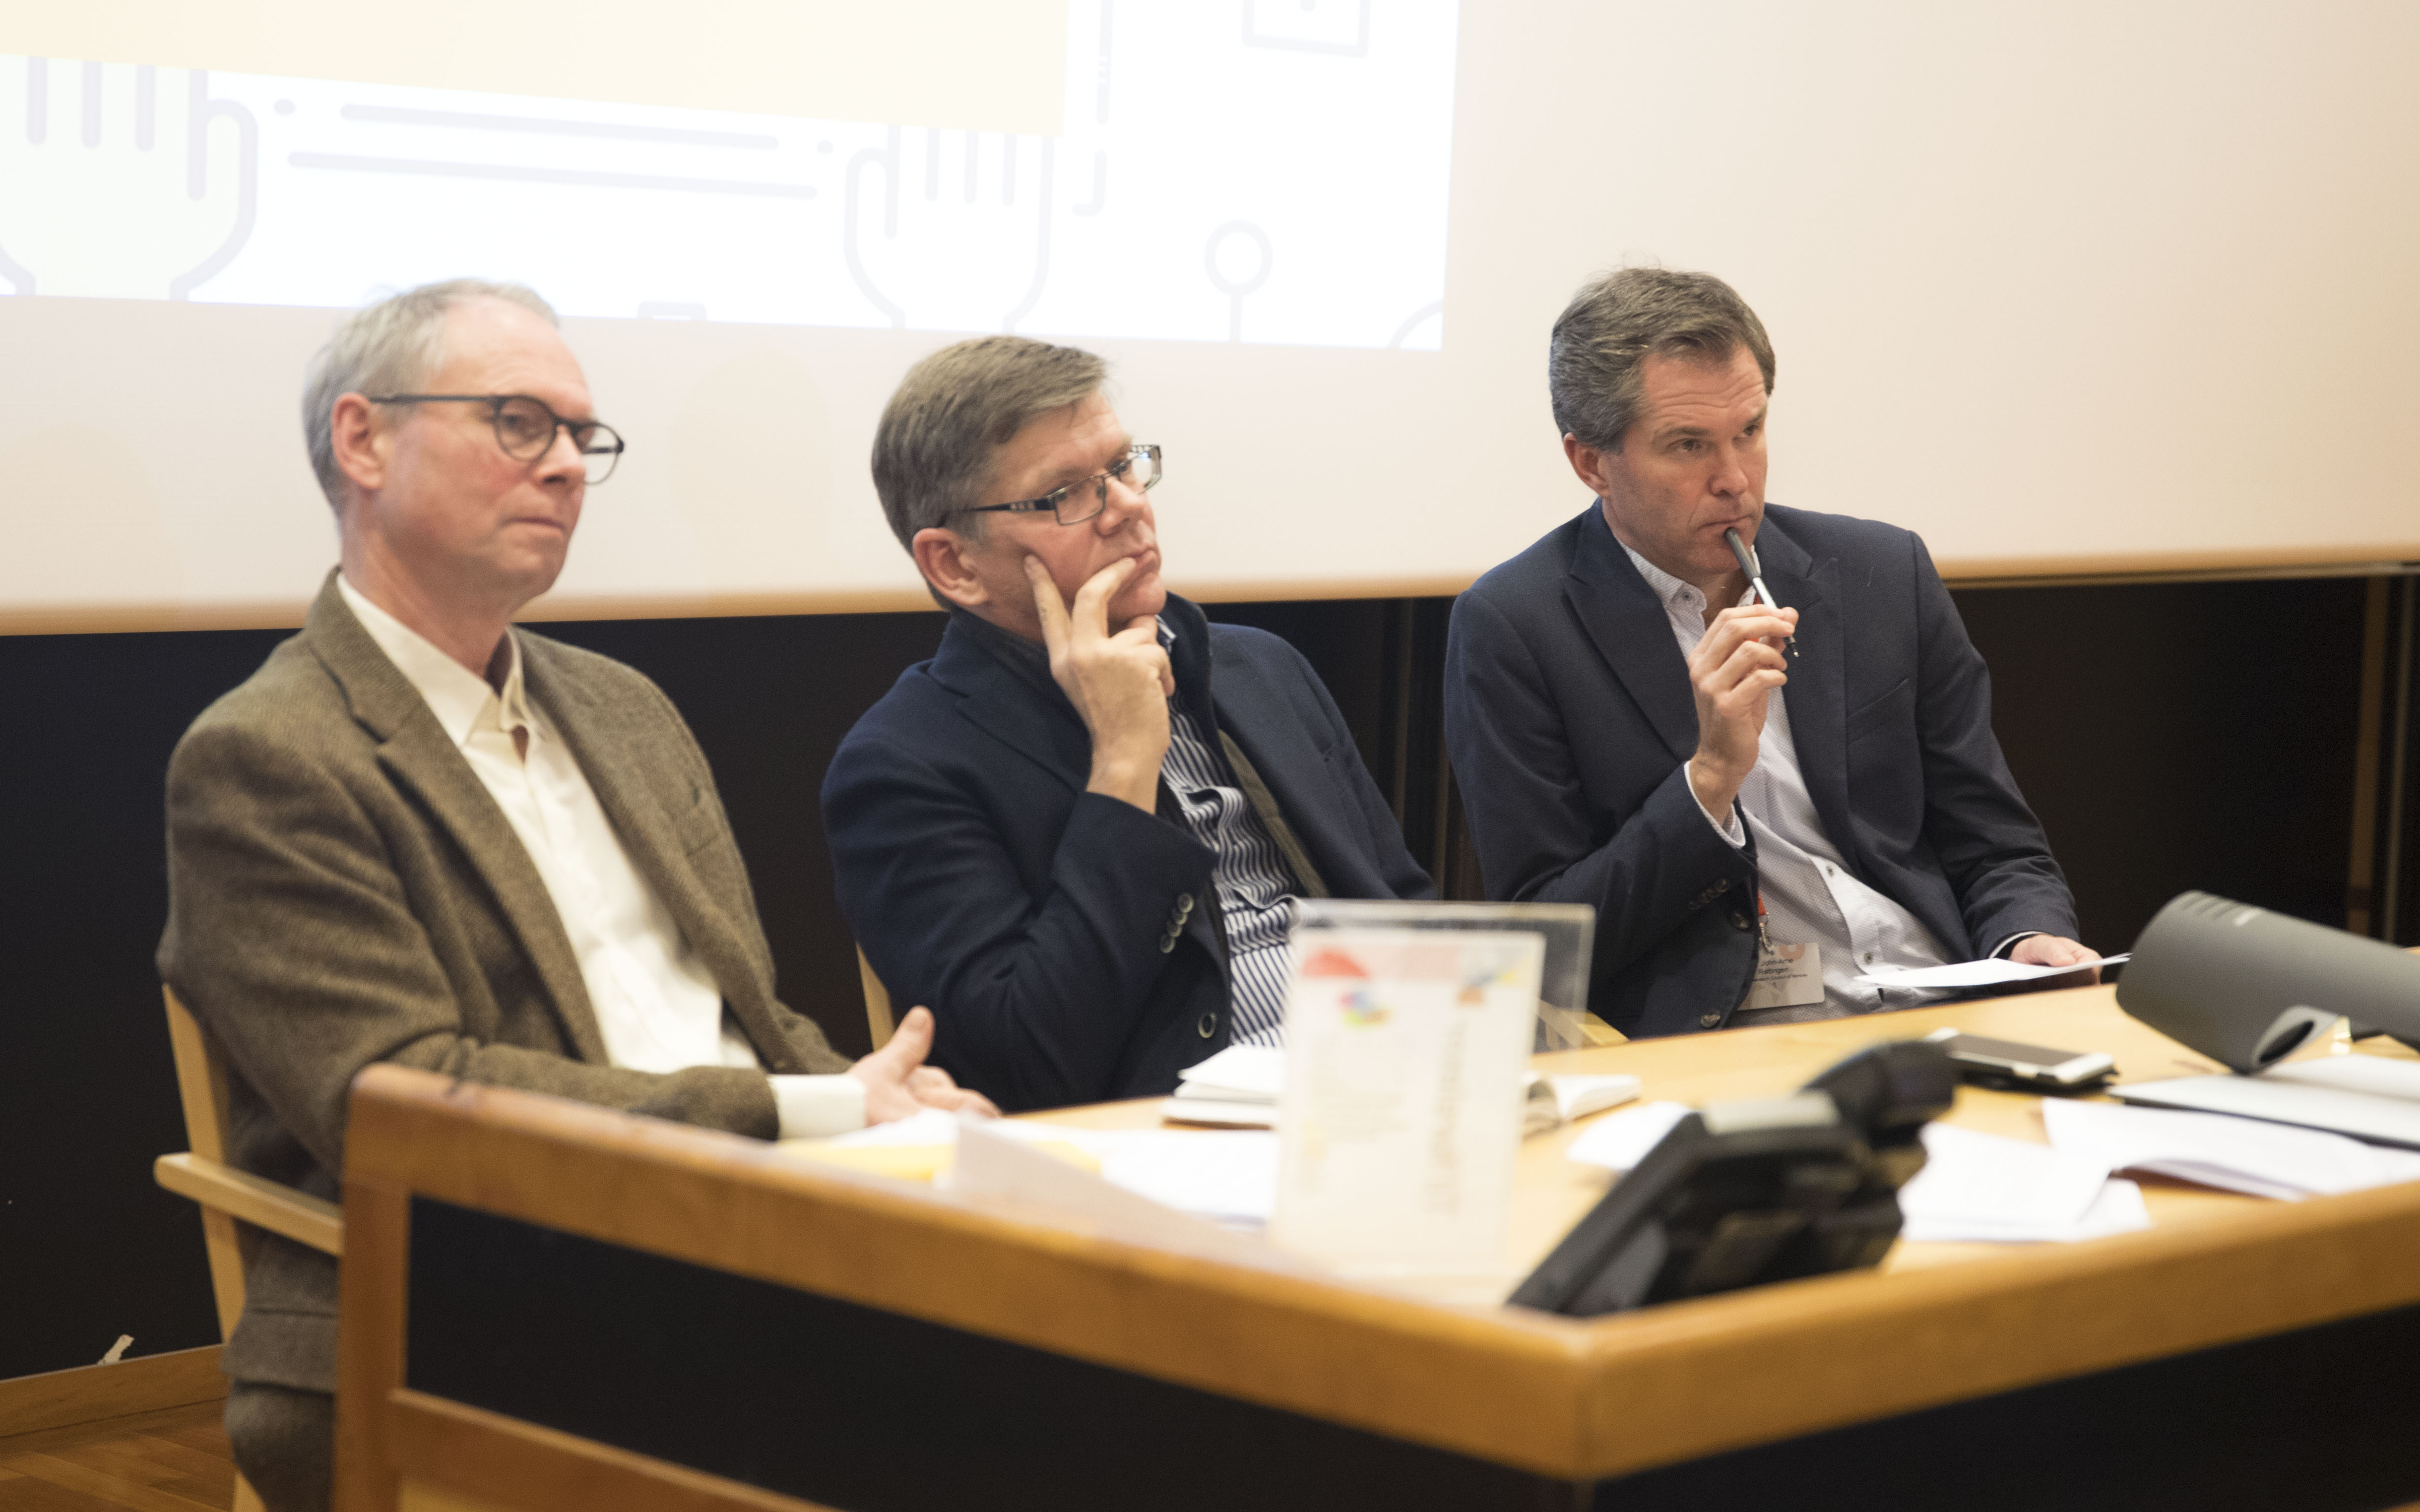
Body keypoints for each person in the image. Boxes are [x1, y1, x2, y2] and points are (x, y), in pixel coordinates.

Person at [158, 280, 995, 1511]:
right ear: (363, 440)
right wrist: (810, 1112)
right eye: (517, 422)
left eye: (579, 436)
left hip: (746, 1239)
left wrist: (878, 1106)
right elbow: (402, 1100)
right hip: (471, 1301)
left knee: (1102, 1369)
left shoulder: (624, 709)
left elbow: (744, 1018)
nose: (562, 466)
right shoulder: (269, 757)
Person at [1444, 267, 2097, 1038]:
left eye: (1749, 432)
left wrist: (2027, 936)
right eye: (1688, 446)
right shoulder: (1516, 626)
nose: (1734, 480)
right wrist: (1709, 780)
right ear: (1591, 463)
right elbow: (1549, 944)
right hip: (1732, 1040)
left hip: (1942, 1005)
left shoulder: (1882, 574)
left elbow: (1998, 846)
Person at [823, 336, 1435, 1113]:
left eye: (1122, 466)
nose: (1129, 506)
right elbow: (1024, 1069)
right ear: (955, 564)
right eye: (1066, 495)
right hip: (1169, 1144)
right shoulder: (903, 766)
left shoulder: (1260, 668)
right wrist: (1122, 764)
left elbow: (1408, 909)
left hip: (1392, 1089)